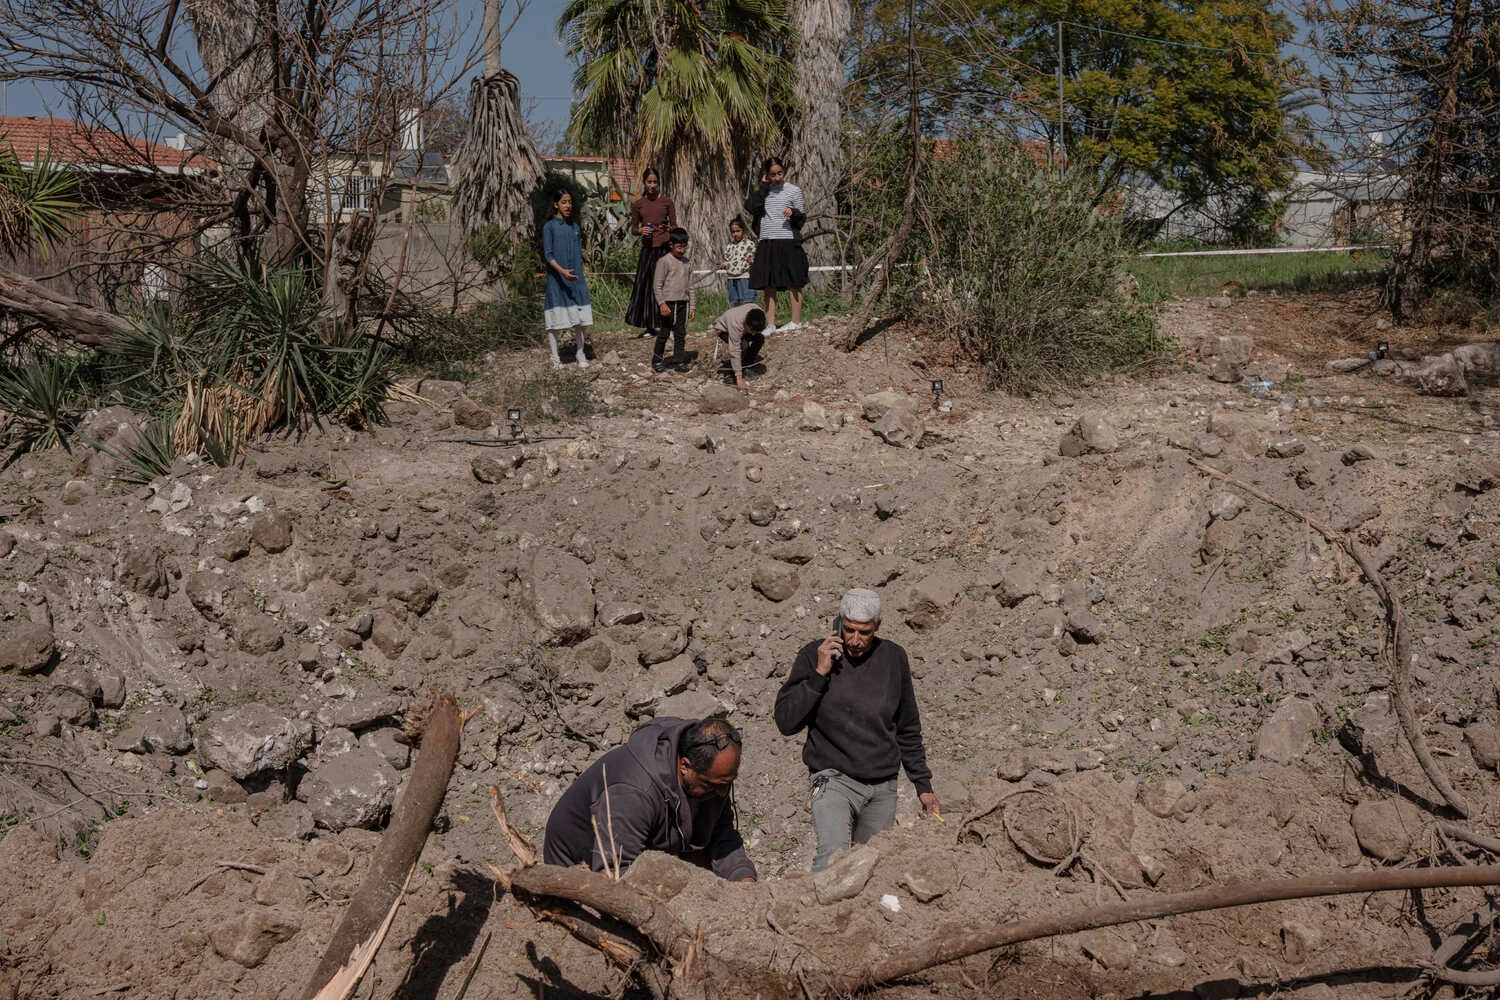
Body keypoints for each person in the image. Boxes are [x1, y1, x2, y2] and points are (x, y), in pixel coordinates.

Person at [773, 588, 940, 873]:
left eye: (864, 632)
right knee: (832, 856)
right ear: (839, 623)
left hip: (882, 785)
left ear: (878, 626)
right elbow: (786, 722)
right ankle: (816, 903)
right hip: (831, 779)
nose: (855, 640)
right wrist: (819, 674)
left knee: (872, 866)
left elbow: (908, 727)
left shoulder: (893, 658)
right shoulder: (814, 656)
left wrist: (923, 786)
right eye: (849, 630)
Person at [542, 717, 757, 882]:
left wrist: (744, 881)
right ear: (685, 766)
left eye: (728, 783)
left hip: (645, 841)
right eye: (714, 785)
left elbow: (722, 835)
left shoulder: (711, 776)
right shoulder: (633, 793)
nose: (722, 793)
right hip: (581, 862)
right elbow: (616, 875)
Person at [745, 156, 808, 333]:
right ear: (767, 175)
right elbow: (750, 207)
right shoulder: (764, 191)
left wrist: (793, 213)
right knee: (768, 284)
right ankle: (770, 324)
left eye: (780, 173)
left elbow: (801, 218)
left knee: (794, 282)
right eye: (773, 175)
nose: (777, 177)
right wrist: (763, 187)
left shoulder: (794, 190)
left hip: (788, 240)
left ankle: (795, 322)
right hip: (766, 241)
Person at [541, 189, 592, 370]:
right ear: (556, 205)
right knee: (554, 319)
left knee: (581, 317)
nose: (568, 205)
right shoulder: (549, 227)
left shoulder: (575, 227)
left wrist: (579, 274)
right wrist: (562, 272)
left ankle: (580, 352)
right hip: (557, 280)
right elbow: (548, 255)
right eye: (564, 202)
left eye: (570, 202)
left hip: (576, 279)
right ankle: (555, 357)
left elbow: (579, 254)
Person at [625, 167, 677, 339]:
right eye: (649, 182)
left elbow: (675, 226)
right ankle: (649, 326)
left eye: (655, 182)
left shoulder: (667, 202)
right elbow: (633, 229)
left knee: (666, 285)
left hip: (664, 249)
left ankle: (668, 325)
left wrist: (669, 230)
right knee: (647, 287)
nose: (652, 185)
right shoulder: (638, 204)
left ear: (659, 183)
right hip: (648, 250)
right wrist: (641, 231)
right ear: (644, 183)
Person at [650, 227, 695, 373]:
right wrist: (661, 303)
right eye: (679, 247)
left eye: (684, 247)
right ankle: (657, 360)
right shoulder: (664, 261)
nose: (682, 250)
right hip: (668, 304)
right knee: (664, 333)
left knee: (680, 333)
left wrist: (692, 306)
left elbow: (691, 286)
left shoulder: (687, 263)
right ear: (671, 245)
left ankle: (679, 361)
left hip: (683, 303)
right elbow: (657, 285)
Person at [712, 302, 768, 394]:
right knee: (743, 345)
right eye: (752, 331)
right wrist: (739, 378)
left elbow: (754, 330)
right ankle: (732, 375)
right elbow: (734, 350)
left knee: (759, 338)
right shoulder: (735, 322)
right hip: (724, 329)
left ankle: (745, 366)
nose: (753, 334)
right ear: (746, 323)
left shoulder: (758, 313)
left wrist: (753, 332)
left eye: (755, 331)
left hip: (743, 328)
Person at [721, 217, 757, 306]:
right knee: (736, 303)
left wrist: (752, 261)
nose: (735, 234)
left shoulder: (749, 244)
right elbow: (727, 259)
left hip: (744, 277)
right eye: (733, 232)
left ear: (743, 230)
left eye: (738, 231)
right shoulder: (729, 246)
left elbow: (755, 258)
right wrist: (724, 264)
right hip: (732, 278)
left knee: (747, 302)